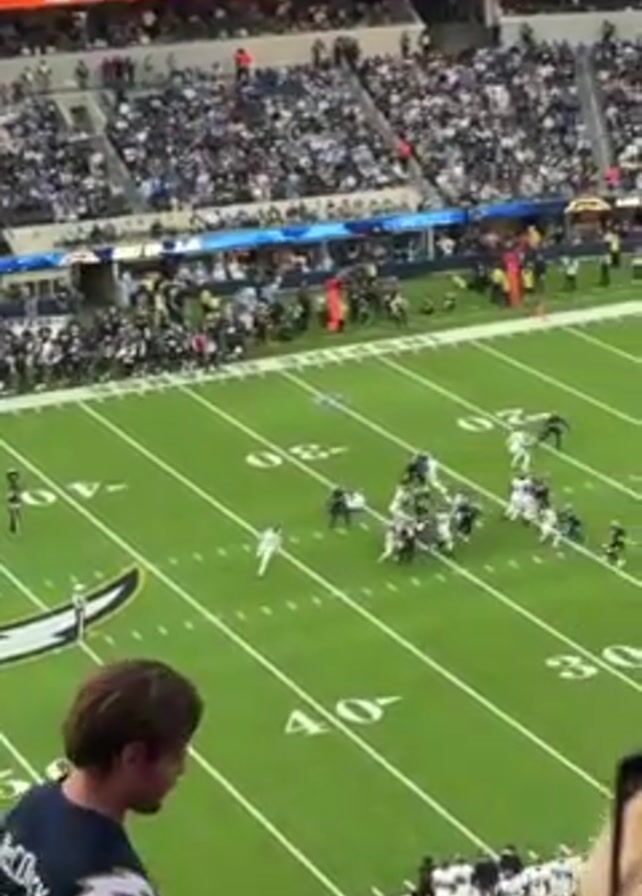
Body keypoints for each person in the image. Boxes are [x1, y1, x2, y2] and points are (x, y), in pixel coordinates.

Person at [0, 660, 203, 896]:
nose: (181, 769)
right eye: (176, 755)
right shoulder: (113, 885)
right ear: (133, 756)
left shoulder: (34, 803)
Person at [6, 469, 22, 535]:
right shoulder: (13, 486)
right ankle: (14, 528)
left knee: (15, 514)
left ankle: (14, 528)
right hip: (13, 502)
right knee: (13, 515)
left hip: (15, 501)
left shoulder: (14, 486)